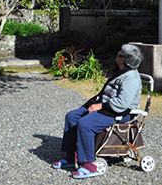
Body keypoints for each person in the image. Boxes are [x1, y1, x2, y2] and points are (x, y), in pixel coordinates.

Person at [53, 43, 143, 179]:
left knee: (86, 124)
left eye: (120, 53)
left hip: (120, 111)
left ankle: (89, 164)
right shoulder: (120, 70)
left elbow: (122, 104)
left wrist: (99, 106)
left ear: (123, 59)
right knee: (72, 116)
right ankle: (71, 156)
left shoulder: (131, 78)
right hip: (107, 105)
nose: (117, 53)